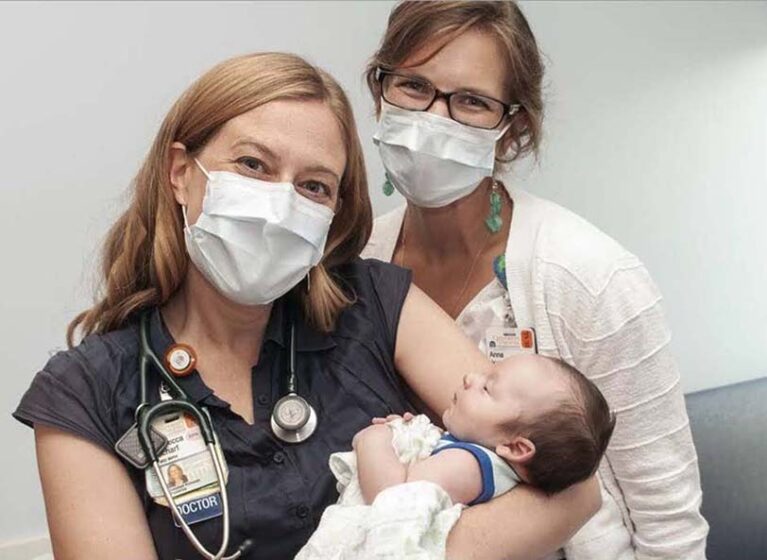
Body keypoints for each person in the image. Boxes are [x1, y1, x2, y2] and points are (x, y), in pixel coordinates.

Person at [13, 52, 599, 560]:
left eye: (313, 186)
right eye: (253, 166)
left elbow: (569, 486)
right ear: (180, 172)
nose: (278, 205)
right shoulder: (85, 395)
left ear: (333, 214)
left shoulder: (374, 303)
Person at [362, 2, 709, 558]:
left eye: (471, 101)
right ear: (380, 90)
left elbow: (670, 526)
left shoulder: (590, 277)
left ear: (513, 126)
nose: (434, 118)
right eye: (413, 86)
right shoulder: (358, 265)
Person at [355, 355, 615, 506]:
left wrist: (375, 441)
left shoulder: (468, 465)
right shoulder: (477, 461)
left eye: (487, 388)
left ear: (515, 447)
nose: (470, 377)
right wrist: (412, 438)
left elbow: (390, 500)